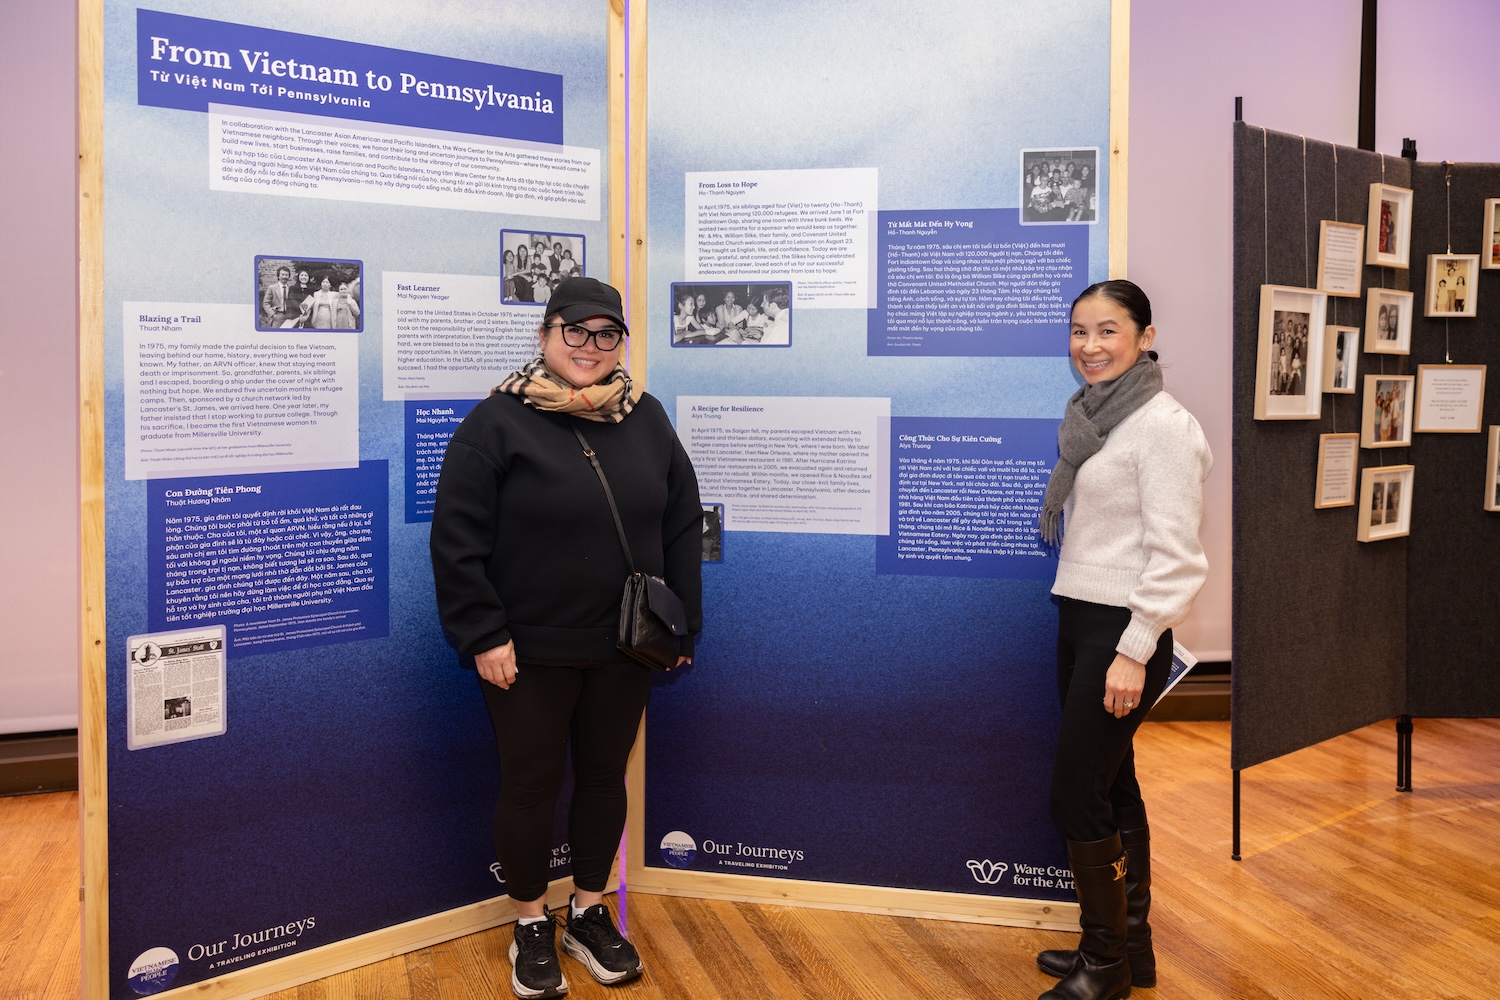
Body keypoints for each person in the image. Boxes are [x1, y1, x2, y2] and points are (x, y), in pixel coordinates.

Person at [430, 277, 703, 1000]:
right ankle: (529, 922)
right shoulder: (496, 423)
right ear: (546, 335)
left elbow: (681, 524)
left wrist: (684, 625)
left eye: (605, 334)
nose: (589, 347)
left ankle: (587, 911)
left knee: (604, 780)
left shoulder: (646, 418)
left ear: (620, 343)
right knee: (530, 782)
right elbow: (456, 539)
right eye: (575, 332)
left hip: (626, 646)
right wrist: (483, 633)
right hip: (528, 651)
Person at [1035, 280, 1211, 1000]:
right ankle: (1128, 951)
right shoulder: (1093, 419)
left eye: (1108, 330)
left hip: (1121, 629)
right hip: (1081, 617)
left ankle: (1104, 962)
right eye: (1079, 331)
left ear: (1145, 335)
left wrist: (1135, 649)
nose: (1090, 346)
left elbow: (1178, 557)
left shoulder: (1163, 426)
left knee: (1077, 792)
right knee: (1115, 786)